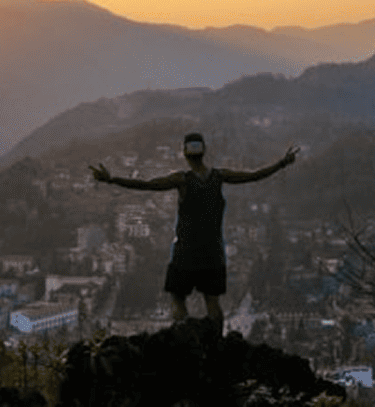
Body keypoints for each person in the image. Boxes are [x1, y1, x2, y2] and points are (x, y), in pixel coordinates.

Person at [89, 132, 298, 329]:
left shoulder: (182, 180)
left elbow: (147, 185)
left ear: (185, 154)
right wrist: (281, 163)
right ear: (204, 151)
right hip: (213, 252)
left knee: (178, 298)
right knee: (212, 303)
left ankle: (184, 339)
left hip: (185, 251)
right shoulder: (219, 177)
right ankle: (216, 346)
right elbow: (254, 175)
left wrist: (111, 179)